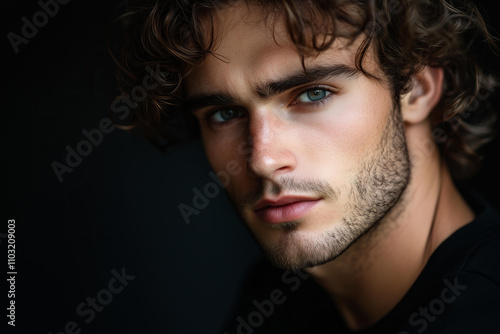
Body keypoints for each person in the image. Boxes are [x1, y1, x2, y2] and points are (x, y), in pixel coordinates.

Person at [115, 0, 500, 332]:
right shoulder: (275, 300)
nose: (262, 159)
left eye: (313, 94)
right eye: (225, 113)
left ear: (416, 89)